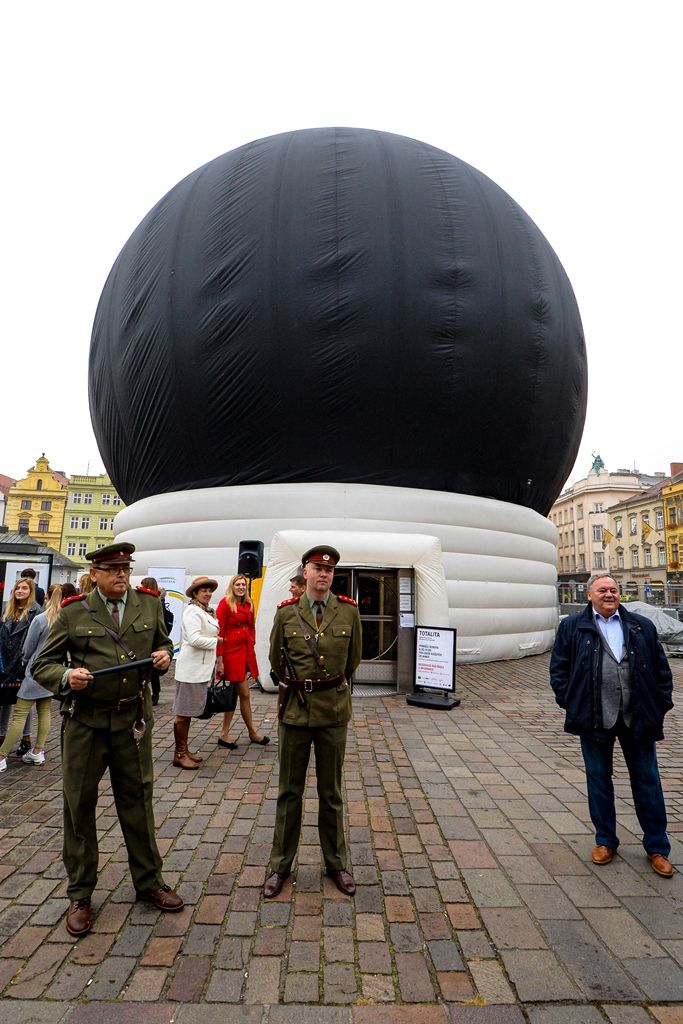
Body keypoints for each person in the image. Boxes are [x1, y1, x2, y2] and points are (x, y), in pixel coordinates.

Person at [32, 542, 183, 938]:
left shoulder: (148, 605)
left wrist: (164, 655)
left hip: (132, 721)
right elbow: (42, 665)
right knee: (79, 805)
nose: (121, 575)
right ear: (94, 574)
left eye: (125, 568)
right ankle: (80, 893)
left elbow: (163, 642)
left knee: (138, 802)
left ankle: (149, 881)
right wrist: (67, 677)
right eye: (113, 569)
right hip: (86, 723)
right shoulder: (74, 611)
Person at [550, 572, 675, 877]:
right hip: (594, 717)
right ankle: (605, 840)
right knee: (598, 779)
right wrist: (571, 701)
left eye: (614, 590)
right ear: (589, 595)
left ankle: (657, 846)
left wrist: (660, 703)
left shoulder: (641, 625)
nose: (609, 594)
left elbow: (661, 670)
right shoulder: (572, 626)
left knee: (647, 780)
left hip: (638, 716)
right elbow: (559, 669)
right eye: (602, 590)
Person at [264, 545, 362, 898]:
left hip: (333, 712)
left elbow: (353, 660)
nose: (323, 574)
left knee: (331, 792)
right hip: (295, 711)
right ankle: (280, 865)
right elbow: (276, 660)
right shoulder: (286, 613)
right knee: (289, 792)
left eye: (328, 570)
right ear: (304, 573)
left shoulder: (348, 612)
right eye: (317, 568)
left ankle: (336, 863)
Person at [0, 583, 64, 771]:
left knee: (19, 713)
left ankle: (2, 755)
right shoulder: (63, 619)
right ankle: (38, 751)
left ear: (46, 597)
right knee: (44, 710)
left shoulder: (40, 618)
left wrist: (25, 663)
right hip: (52, 670)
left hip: (34, 669)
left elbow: (28, 648)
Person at [215, 574, 269, 749]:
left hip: (245, 651)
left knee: (236, 693)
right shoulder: (225, 603)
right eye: (237, 584)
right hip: (230, 653)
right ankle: (250, 732)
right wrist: (220, 660)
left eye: (243, 585)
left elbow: (251, 626)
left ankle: (225, 733)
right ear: (232, 586)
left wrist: (251, 641)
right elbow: (219, 632)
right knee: (244, 693)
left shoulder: (249, 603)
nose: (241, 587)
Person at [172, 576, 219, 769]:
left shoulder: (206, 611)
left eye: (209, 590)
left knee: (188, 711)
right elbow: (194, 639)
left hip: (199, 669)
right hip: (191, 669)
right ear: (195, 593)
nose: (208, 594)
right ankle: (179, 754)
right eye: (203, 591)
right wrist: (218, 641)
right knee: (183, 712)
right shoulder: (192, 611)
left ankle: (184, 750)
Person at [0, 577, 42, 748]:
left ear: (31, 591)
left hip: (23, 662)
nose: (20, 591)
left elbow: (34, 640)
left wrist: (26, 662)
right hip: (5, 661)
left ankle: (26, 738)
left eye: (24, 588)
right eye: (18, 588)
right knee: (4, 698)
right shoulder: (8, 609)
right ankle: (1, 734)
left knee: (23, 700)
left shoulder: (36, 612)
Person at [140, 576, 164, 705]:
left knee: (153, 670)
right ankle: (155, 693)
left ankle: (154, 693)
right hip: (148, 638)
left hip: (152, 640)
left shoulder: (154, 601)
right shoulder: (157, 599)